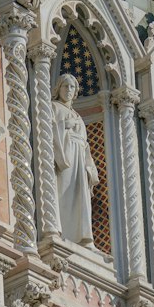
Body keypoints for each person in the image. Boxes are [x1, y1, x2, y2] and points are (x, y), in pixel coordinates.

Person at [52, 73, 99, 244]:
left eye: (72, 87)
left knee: (82, 199)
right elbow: (46, 132)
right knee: (64, 193)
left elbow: (85, 144)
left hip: (79, 157)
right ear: (58, 89)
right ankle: (61, 231)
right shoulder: (53, 107)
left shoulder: (78, 115)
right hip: (65, 156)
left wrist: (90, 166)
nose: (69, 90)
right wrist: (64, 126)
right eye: (65, 86)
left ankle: (84, 237)